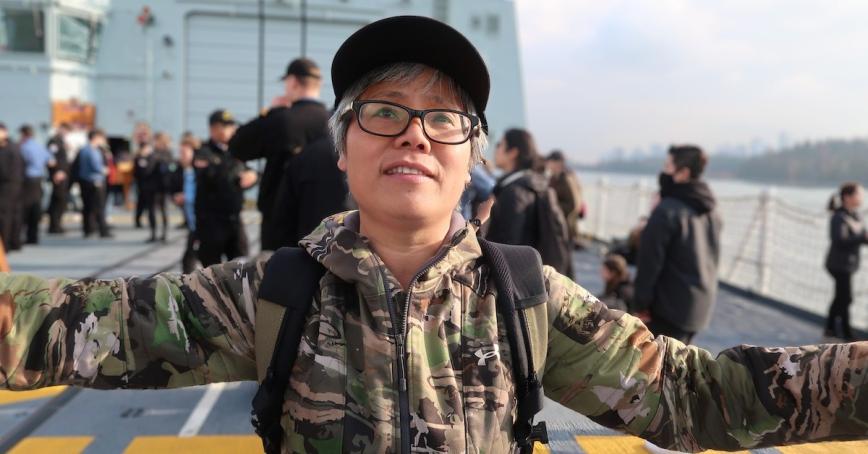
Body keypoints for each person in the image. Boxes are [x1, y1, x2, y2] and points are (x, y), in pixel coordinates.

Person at [0, 16, 867, 454]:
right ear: (343, 151)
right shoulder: (266, 294)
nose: (413, 134)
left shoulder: (531, 301)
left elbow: (702, 396)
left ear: (470, 160)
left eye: (443, 120)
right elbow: (62, 326)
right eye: (383, 113)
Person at [230, 57, 331, 251]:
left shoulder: (282, 119)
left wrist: (271, 112)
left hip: (282, 223)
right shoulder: (333, 121)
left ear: (292, 81)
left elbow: (237, 146)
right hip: (327, 224)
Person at [633, 145, 721, 344]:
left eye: (668, 166)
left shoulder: (667, 211)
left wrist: (640, 304)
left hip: (668, 309)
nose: (664, 172)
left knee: (653, 367)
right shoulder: (712, 210)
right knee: (677, 365)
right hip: (699, 307)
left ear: (683, 173)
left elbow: (650, 262)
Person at [486, 128, 573, 276]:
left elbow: (506, 250)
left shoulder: (513, 193)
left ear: (513, 152)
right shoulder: (538, 185)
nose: (496, 149)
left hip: (512, 285)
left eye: (500, 144)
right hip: (536, 279)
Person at [194, 110, 257, 266]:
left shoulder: (234, 151)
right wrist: (237, 173)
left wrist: (253, 176)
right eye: (226, 127)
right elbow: (213, 176)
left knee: (241, 264)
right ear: (213, 129)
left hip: (234, 219)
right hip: (211, 221)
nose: (232, 130)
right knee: (210, 269)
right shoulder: (203, 152)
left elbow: (248, 171)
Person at [823, 182, 868, 341]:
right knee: (846, 297)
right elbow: (839, 240)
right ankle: (847, 333)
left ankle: (830, 328)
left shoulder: (855, 216)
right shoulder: (839, 216)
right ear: (847, 197)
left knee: (841, 296)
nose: (861, 197)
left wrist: (863, 238)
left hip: (848, 264)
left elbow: (860, 238)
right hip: (838, 265)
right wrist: (862, 237)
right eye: (859, 194)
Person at [18, 124, 55, 245]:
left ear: (24, 134)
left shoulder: (24, 147)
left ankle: (24, 235)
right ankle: (33, 236)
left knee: (25, 208)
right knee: (35, 207)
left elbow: (19, 163)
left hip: (27, 179)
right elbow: (51, 162)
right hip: (39, 178)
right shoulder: (39, 146)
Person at [171, 134, 200, 273]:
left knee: (190, 258)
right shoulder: (184, 171)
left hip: (203, 223)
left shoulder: (200, 171)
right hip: (193, 223)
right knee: (190, 257)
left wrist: (186, 197)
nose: (180, 156)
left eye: (183, 153)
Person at [545, 150, 584, 248]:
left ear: (557, 163)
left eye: (550, 161)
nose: (548, 164)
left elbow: (574, 204)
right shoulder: (556, 177)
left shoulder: (566, 179)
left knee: (564, 253)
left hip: (566, 225)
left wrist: (553, 208)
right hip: (561, 223)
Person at [78, 129, 113, 238]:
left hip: (85, 181)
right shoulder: (92, 151)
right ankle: (103, 230)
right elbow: (96, 167)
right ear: (96, 138)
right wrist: (105, 170)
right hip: (95, 181)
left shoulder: (84, 150)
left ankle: (88, 229)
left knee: (87, 206)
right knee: (99, 207)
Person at [0, 123, 23, 252]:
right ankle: (14, 242)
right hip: (14, 184)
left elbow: (4, 170)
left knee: (4, 216)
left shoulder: (9, 148)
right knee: (13, 214)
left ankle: (5, 245)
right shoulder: (14, 147)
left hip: (8, 185)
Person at [46, 123, 71, 234]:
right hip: (58, 176)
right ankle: (55, 226)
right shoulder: (54, 141)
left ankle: (56, 225)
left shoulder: (61, 141)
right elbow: (51, 158)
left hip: (62, 175)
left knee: (58, 201)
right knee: (58, 200)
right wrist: (56, 172)